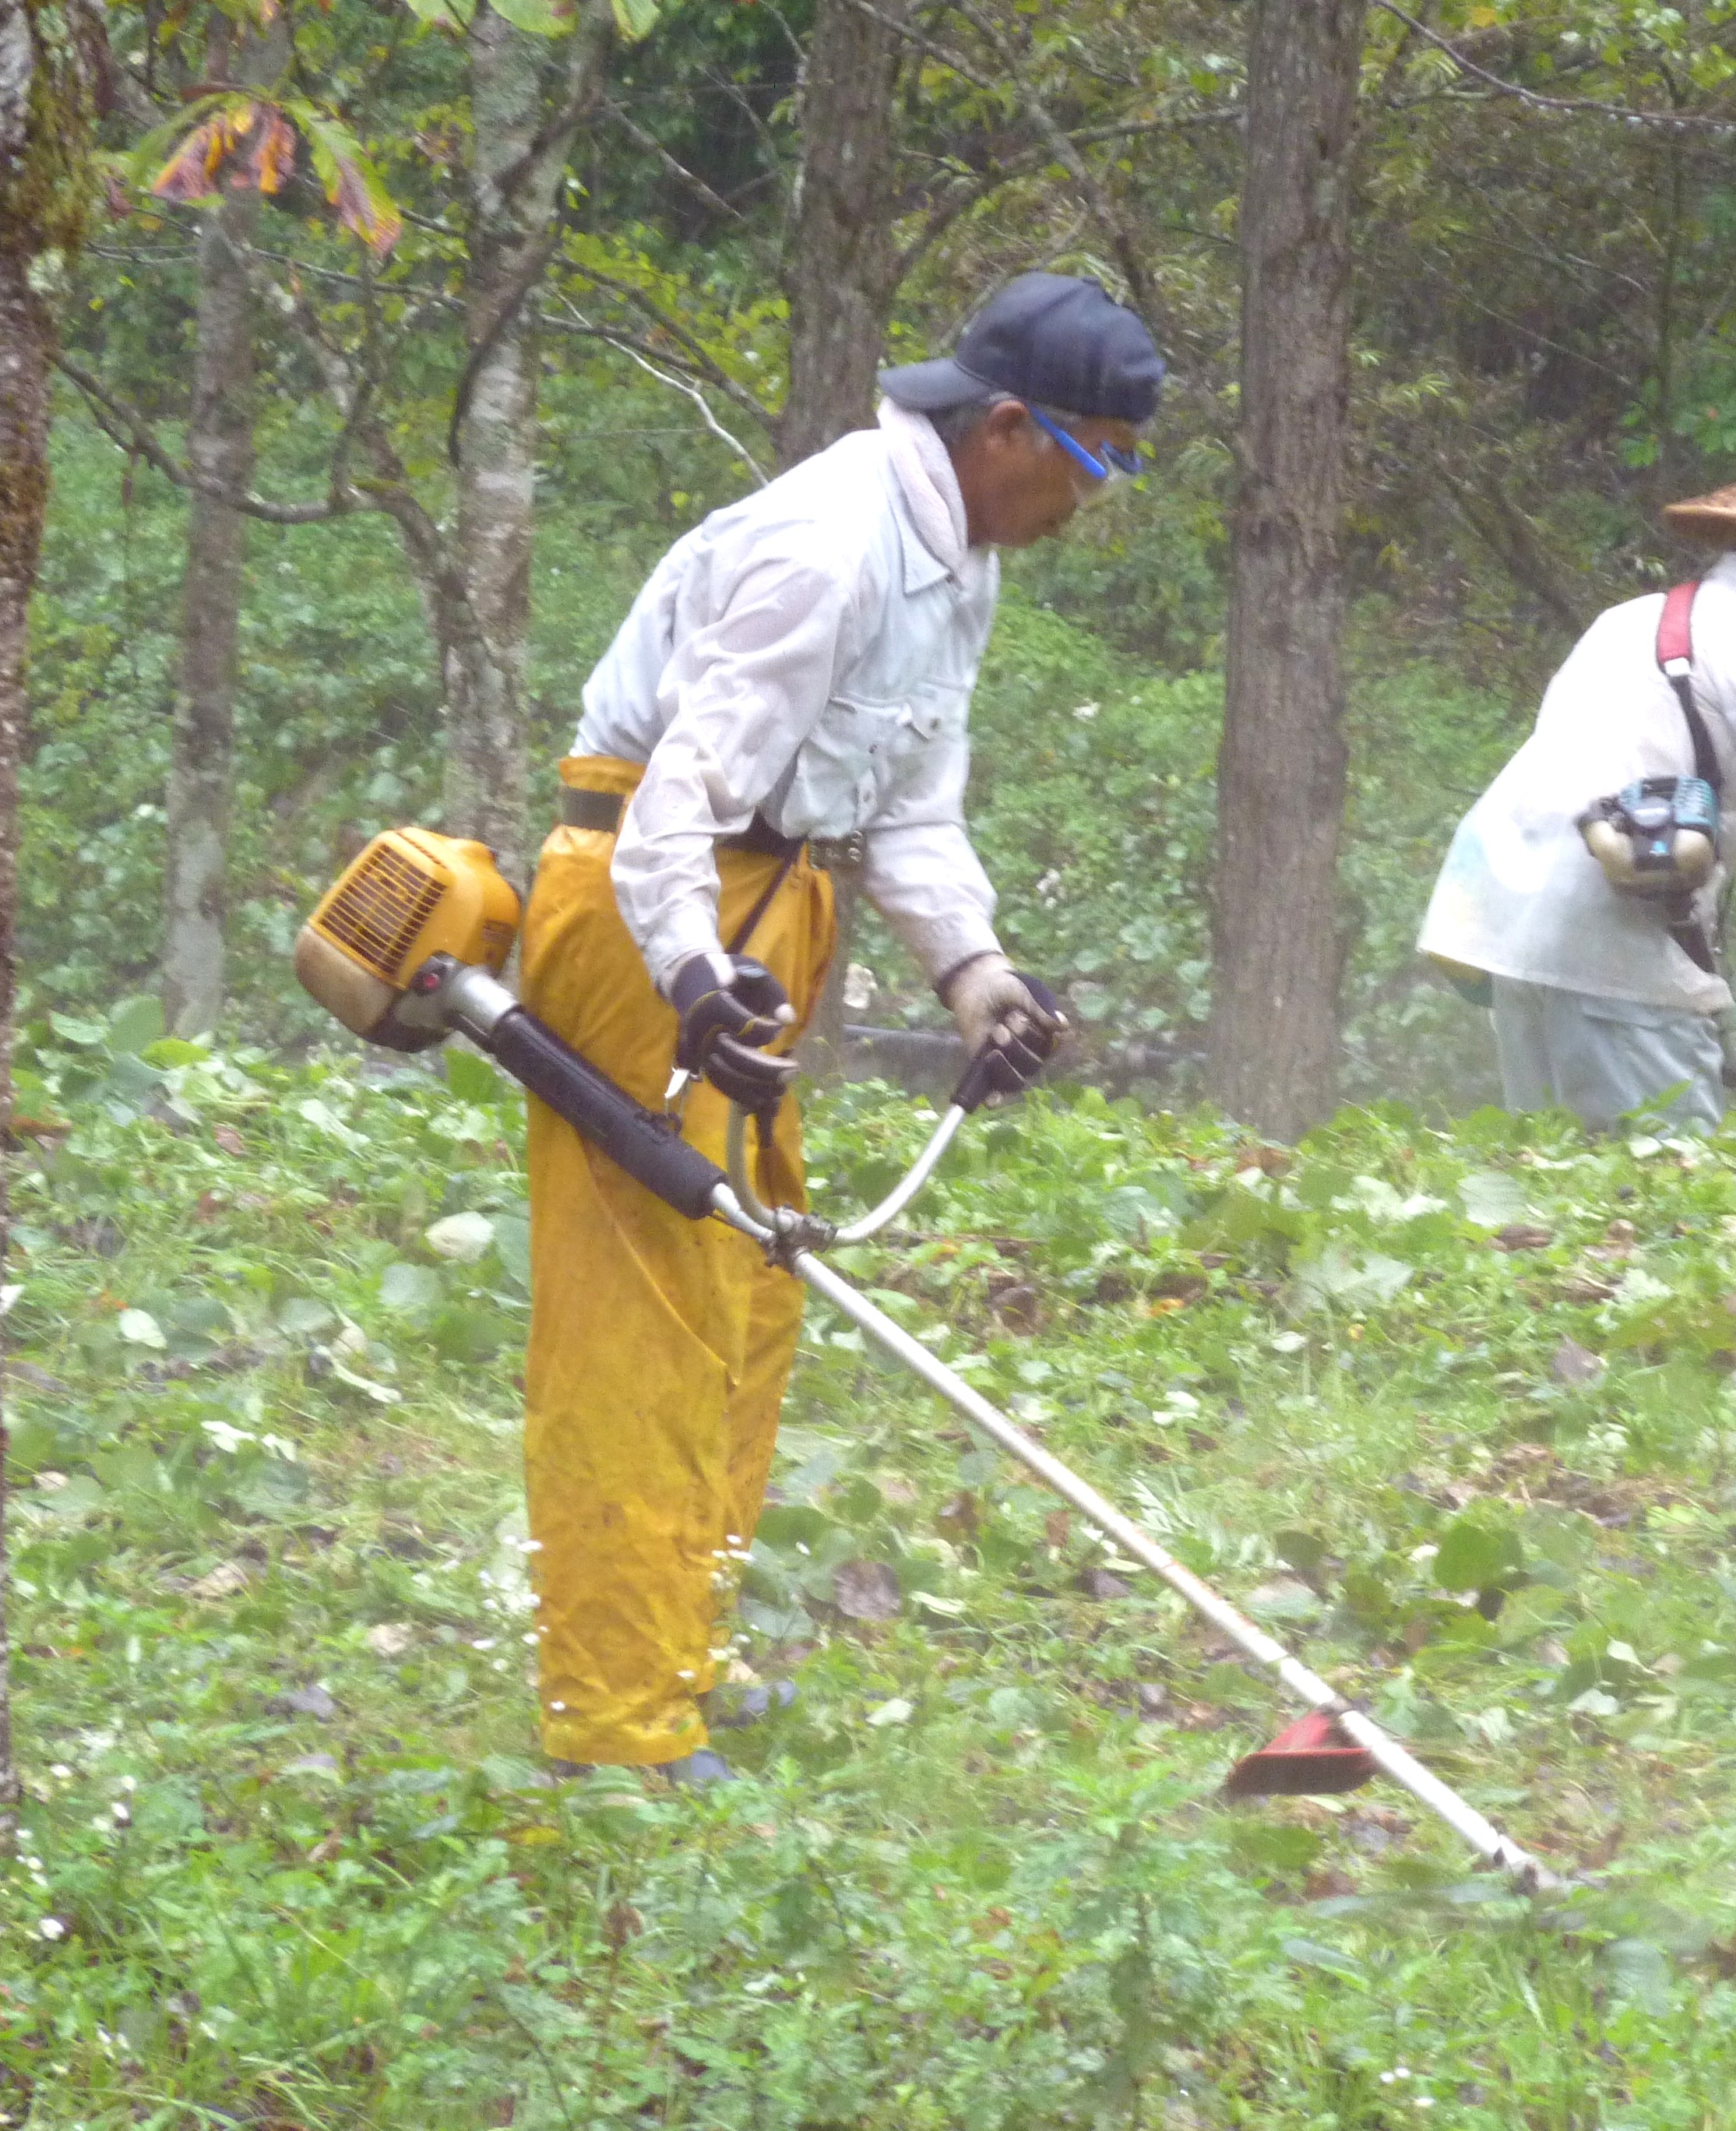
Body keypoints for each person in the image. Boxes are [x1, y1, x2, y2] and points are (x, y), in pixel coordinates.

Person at [519, 273, 1163, 1777]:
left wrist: (975, 975)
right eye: (1096, 459)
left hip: (771, 903)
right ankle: (616, 1723)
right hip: (647, 906)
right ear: (1007, 427)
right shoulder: (829, 544)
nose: (1100, 494)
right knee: (645, 1317)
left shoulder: (962, 558)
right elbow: (670, 802)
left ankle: (676, 1641)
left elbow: (910, 805)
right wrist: (688, 977)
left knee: (749, 1289)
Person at [1419, 455, 1736, 1134]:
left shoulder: (1626, 621)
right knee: (1670, 1207)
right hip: (1619, 961)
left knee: (1550, 1196)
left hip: (1516, 943)